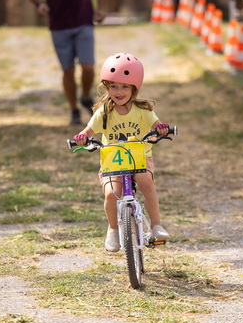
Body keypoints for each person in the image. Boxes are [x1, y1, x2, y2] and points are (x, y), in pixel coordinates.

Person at [73, 53, 170, 252]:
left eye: (125, 86)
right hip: (113, 162)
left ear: (134, 88)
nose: (119, 91)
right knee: (111, 194)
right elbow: (88, 131)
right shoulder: (104, 112)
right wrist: (82, 137)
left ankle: (156, 226)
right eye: (114, 86)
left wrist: (161, 129)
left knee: (146, 182)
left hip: (139, 158)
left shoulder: (142, 111)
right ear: (106, 87)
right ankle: (113, 229)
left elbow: (157, 124)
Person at [28, 0, 106, 126]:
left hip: (84, 22)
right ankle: (74, 109)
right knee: (68, 71)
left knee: (88, 67)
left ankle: (85, 97)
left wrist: (100, 8)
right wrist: (39, 3)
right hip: (59, 26)